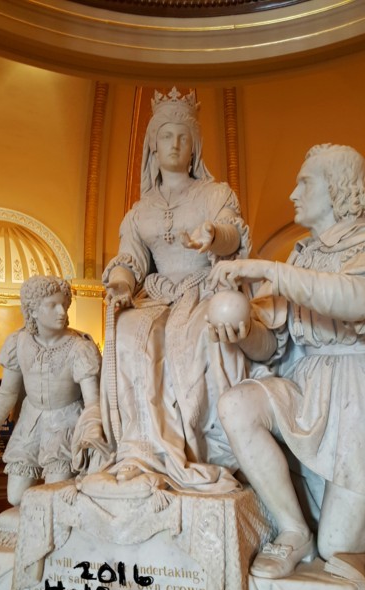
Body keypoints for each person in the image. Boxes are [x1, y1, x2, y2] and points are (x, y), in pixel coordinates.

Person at [209, 144, 365, 577]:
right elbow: (273, 347)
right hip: (308, 388)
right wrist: (244, 332)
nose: (293, 194)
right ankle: (293, 530)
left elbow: (359, 301)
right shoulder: (302, 256)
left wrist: (270, 271)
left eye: (304, 182)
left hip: (361, 398)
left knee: (337, 547)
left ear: (337, 188)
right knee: (237, 404)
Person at [99, 87, 278, 493]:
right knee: (127, 330)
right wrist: (122, 286)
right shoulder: (139, 211)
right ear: (152, 143)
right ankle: (141, 450)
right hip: (158, 295)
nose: (175, 144)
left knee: (203, 333)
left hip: (204, 290)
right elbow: (130, 259)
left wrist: (212, 234)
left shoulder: (215, 194)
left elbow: (233, 235)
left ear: (195, 146)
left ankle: (202, 449)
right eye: (166, 135)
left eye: (183, 136)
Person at [0, 275, 104, 506]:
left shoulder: (80, 347)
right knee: (15, 497)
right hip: (30, 423)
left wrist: (93, 431)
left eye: (64, 305)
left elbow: (93, 401)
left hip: (65, 423)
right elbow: (7, 393)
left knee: (53, 497)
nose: (62, 312)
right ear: (33, 310)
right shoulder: (18, 342)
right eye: (53, 305)